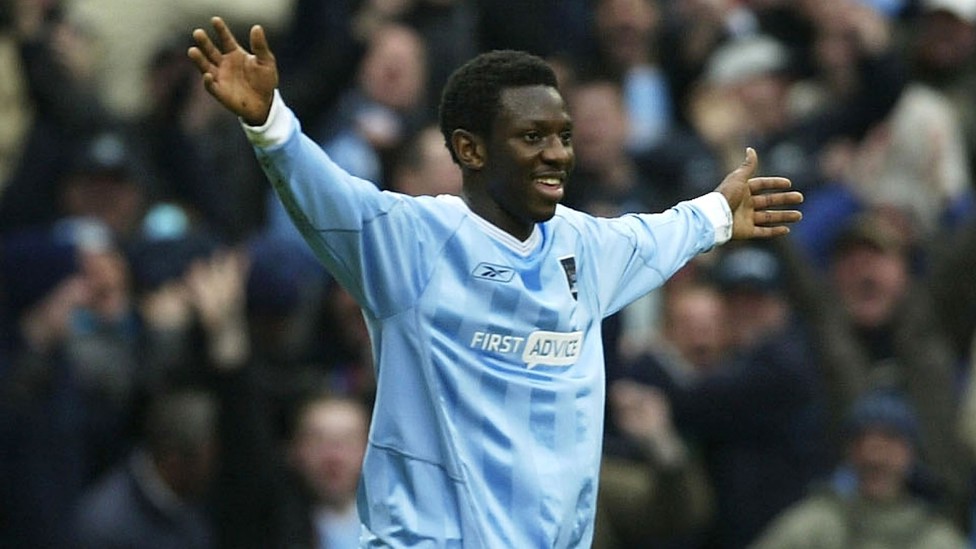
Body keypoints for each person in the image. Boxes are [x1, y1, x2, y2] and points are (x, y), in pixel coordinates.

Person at [187, 17, 803, 547]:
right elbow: (324, 196)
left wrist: (720, 214)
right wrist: (270, 124)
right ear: (470, 150)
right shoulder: (412, 241)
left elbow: (662, 232)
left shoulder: (584, 246)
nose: (559, 153)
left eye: (562, 135)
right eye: (532, 137)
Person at [750, 392, 968, 549]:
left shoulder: (936, 538)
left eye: (888, 445)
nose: (874, 458)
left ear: (909, 454)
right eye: (864, 445)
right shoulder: (816, 524)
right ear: (850, 455)